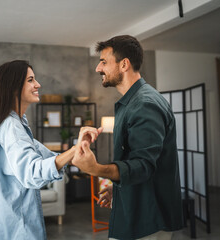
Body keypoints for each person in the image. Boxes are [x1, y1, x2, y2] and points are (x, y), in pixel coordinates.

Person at [72, 35, 183, 240]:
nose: (98, 68)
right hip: (136, 211)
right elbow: (136, 160)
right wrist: (119, 189)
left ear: (124, 64)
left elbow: (142, 166)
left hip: (148, 220)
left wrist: (95, 169)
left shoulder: (145, 104)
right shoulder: (133, 102)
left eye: (104, 62)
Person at [0, 60, 100, 240]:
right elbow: (33, 173)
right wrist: (75, 149)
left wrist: (76, 150)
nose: (38, 84)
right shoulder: (12, 128)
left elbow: (49, 159)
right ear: (14, 87)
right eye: (30, 80)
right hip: (18, 231)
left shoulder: (18, 125)